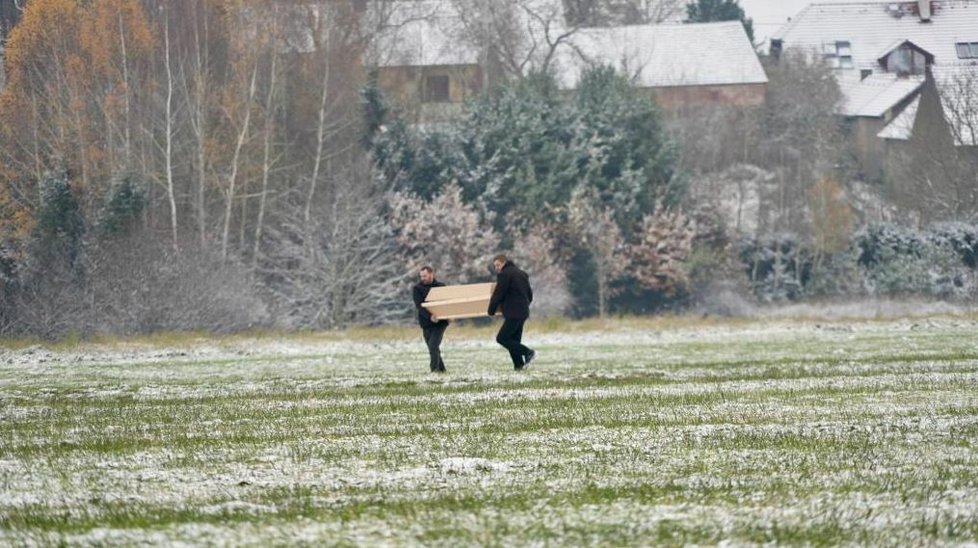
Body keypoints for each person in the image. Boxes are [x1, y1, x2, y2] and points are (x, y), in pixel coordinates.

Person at [487, 254, 536, 370]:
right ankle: (518, 366)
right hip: (523, 312)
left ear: (504, 262)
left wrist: (491, 310)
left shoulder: (504, 275)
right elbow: (529, 294)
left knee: (502, 338)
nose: (497, 268)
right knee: (514, 341)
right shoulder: (522, 273)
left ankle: (528, 352)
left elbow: (498, 293)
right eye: (495, 266)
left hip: (513, 313)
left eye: (498, 265)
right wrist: (524, 305)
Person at [413, 266, 450, 373]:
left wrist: (449, 315)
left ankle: (434, 370)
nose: (422, 278)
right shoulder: (417, 288)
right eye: (421, 276)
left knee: (433, 346)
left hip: (441, 322)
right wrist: (430, 317)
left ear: (431, 274)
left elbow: (447, 302)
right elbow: (419, 306)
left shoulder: (441, 286)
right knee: (433, 348)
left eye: (424, 276)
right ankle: (442, 370)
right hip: (426, 322)